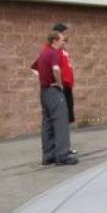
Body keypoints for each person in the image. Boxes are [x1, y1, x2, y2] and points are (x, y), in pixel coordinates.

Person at [31, 22, 77, 154]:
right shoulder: (51, 51)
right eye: (65, 33)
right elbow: (36, 67)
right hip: (57, 88)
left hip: (66, 86)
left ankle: (62, 147)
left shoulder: (62, 50)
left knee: (66, 117)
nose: (67, 36)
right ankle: (61, 150)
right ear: (58, 35)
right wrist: (52, 80)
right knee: (58, 119)